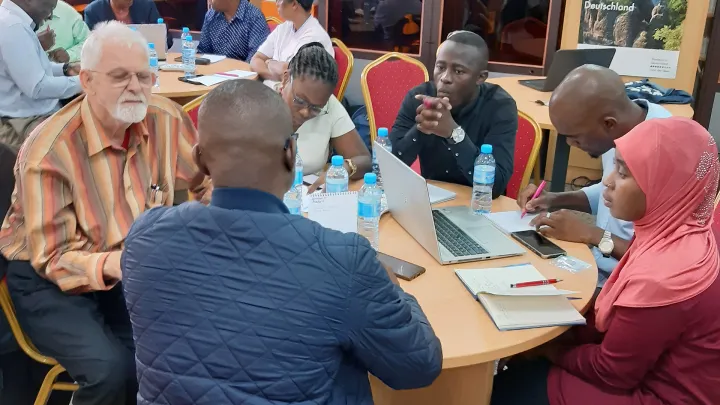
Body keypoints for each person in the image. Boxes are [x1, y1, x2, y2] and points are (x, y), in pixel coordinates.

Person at [121, 79, 443, 404]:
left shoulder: (144, 238)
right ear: (290, 153)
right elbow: (419, 366)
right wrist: (396, 293)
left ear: (199, 159)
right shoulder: (344, 262)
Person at [0, 21, 207, 405]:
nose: (135, 87)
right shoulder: (49, 150)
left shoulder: (165, 119)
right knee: (111, 372)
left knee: (174, 351)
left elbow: (206, 181)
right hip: (48, 275)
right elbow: (54, 258)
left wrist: (205, 230)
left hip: (125, 262)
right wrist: (130, 261)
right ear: (87, 81)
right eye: (119, 77)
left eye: (143, 76)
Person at [492, 117, 720, 405]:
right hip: (650, 367)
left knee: (507, 386)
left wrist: (546, 349)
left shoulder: (665, 277)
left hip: (660, 394)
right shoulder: (680, 228)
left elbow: (611, 372)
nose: (607, 183)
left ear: (665, 186)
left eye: (622, 173)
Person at [517, 65, 671, 288]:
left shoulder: (665, 152)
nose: (570, 144)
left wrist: (592, 234)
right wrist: (553, 199)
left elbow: (662, 261)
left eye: (575, 137)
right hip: (596, 264)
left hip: (631, 285)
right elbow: (610, 193)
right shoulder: (620, 127)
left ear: (609, 124)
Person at [388, 30, 517, 198]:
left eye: (458, 71)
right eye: (440, 67)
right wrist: (422, 127)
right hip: (431, 201)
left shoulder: (500, 106)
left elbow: (495, 186)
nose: (445, 78)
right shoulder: (418, 97)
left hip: (478, 204)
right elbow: (388, 168)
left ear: (480, 77)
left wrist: (454, 134)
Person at [279, 42, 371, 188]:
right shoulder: (259, 103)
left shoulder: (330, 106)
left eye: (316, 108)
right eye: (300, 100)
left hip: (306, 194)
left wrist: (344, 168)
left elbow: (364, 159)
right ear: (285, 79)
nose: (305, 112)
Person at [0, 0, 82, 150]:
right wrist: (84, 81)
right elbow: (37, 87)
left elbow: (32, 67)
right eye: (49, 8)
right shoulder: (13, 27)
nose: (50, 16)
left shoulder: (12, 21)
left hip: (35, 114)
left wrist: (65, 69)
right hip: (27, 121)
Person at [250, 0, 332, 87]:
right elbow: (255, 59)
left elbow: (295, 79)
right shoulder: (283, 28)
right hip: (273, 89)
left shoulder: (315, 39)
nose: (276, 4)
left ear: (294, 4)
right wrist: (275, 75)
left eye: (279, 0)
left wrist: (269, 63)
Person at [197, 0, 269, 62]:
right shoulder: (211, 15)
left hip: (243, 72)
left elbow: (256, 59)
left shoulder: (255, 17)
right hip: (214, 71)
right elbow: (203, 52)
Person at [83, 0, 172, 49]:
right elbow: (90, 46)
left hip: (146, 61)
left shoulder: (147, 6)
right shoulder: (93, 11)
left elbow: (167, 40)